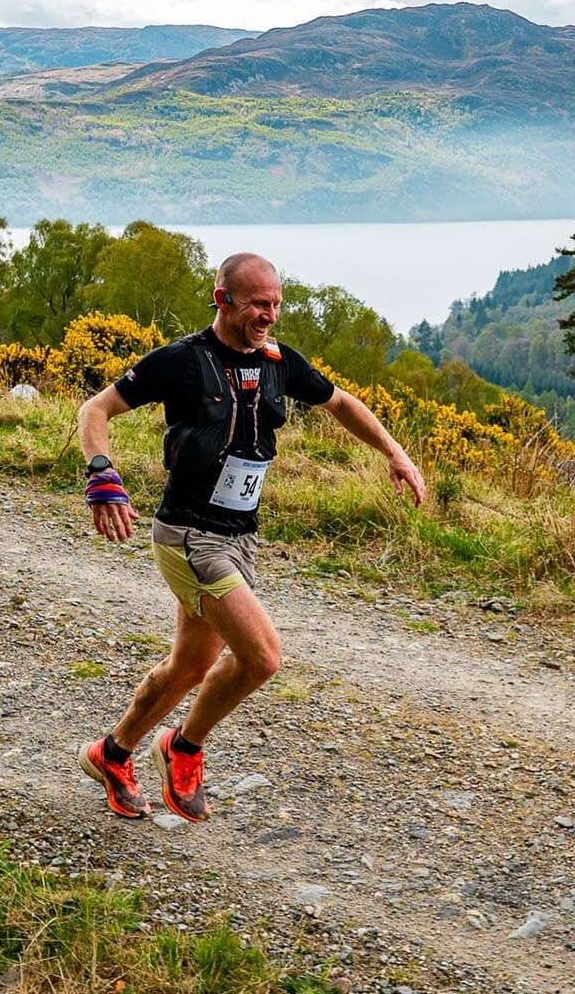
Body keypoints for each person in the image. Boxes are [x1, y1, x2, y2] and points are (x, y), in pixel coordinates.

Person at [73, 252, 426, 821]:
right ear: (223, 300)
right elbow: (97, 408)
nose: (269, 315)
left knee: (189, 666)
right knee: (261, 658)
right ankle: (182, 747)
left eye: (276, 304)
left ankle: (111, 753)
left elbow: (339, 402)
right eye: (259, 304)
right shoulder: (183, 362)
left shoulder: (279, 362)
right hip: (189, 536)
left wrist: (394, 452)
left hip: (241, 536)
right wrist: (102, 475)